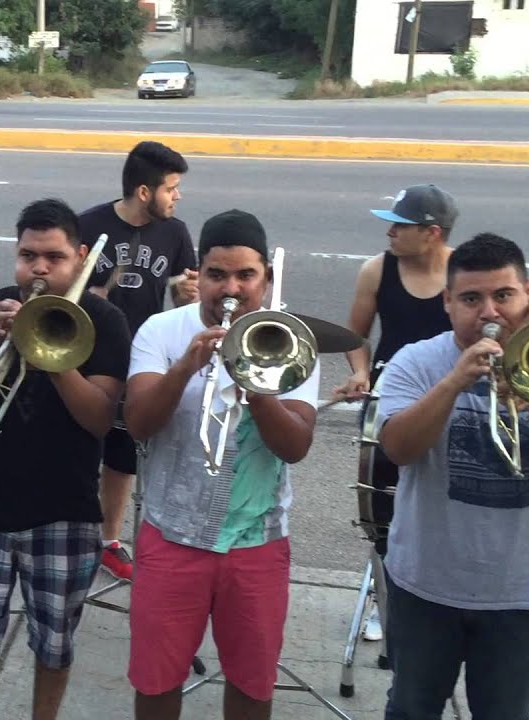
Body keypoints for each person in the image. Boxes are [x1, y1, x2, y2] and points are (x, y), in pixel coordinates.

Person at [375, 232, 529, 719]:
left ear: (528, 294)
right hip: (425, 584)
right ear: (448, 302)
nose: (490, 313)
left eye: (504, 295)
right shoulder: (416, 361)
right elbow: (398, 449)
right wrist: (454, 382)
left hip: (522, 591)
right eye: (472, 299)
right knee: (411, 708)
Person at [0, 198, 131, 720]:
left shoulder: (105, 321)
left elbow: (97, 419)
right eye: (28, 256)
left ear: (80, 258)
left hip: (65, 513)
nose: (39, 269)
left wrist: (49, 351)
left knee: (54, 643)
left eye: (54, 257)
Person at [123, 209, 321, 720]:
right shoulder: (162, 331)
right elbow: (139, 424)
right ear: (198, 276)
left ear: (266, 279)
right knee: (157, 681)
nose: (229, 288)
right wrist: (186, 367)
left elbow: (295, 445)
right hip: (172, 537)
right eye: (216, 275)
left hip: (257, 542)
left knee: (253, 685)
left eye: (245, 275)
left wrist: (255, 383)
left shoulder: (290, 341)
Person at [332, 183, 457, 641]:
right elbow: (355, 336)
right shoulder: (375, 271)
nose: (389, 232)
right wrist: (361, 372)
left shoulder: (465, 274)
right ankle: (386, 602)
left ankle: (443, 595)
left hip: (451, 404)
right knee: (385, 507)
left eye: (400, 225)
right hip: (390, 405)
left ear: (432, 233)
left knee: (446, 501)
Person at [81, 140, 198, 580]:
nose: (178, 195)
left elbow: (185, 292)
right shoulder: (89, 225)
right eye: (172, 187)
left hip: (144, 362)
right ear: (145, 192)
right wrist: (89, 295)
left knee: (122, 458)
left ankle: (110, 539)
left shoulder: (175, 233)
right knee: (79, 450)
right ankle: (73, 535)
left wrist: (187, 293)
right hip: (88, 359)